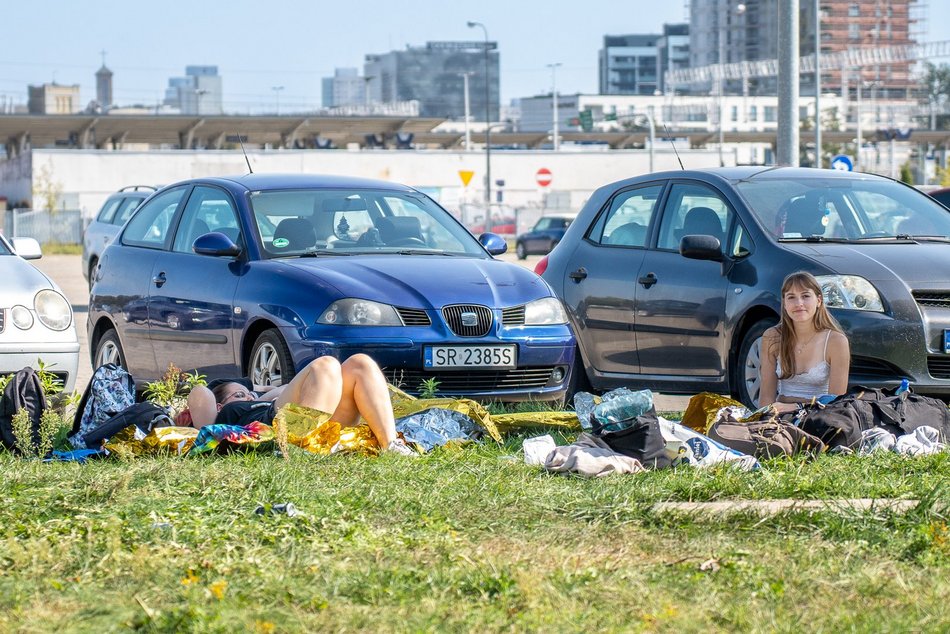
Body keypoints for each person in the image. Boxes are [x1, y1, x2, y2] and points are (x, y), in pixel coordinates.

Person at [186, 354, 415, 456]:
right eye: (238, 394)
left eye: (248, 393)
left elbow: (285, 389)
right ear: (219, 405)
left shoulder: (261, 399)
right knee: (325, 364)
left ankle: (390, 445)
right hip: (277, 425)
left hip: (314, 418)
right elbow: (200, 393)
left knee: (359, 363)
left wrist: (258, 392)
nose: (247, 398)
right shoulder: (226, 415)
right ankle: (302, 449)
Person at [759, 271, 851, 415]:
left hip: (820, 418)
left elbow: (836, 402)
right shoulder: (772, 337)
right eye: (791, 297)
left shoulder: (836, 341)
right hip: (779, 418)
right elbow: (766, 397)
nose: (799, 303)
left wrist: (797, 407)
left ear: (819, 300)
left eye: (805, 296)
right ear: (784, 303)